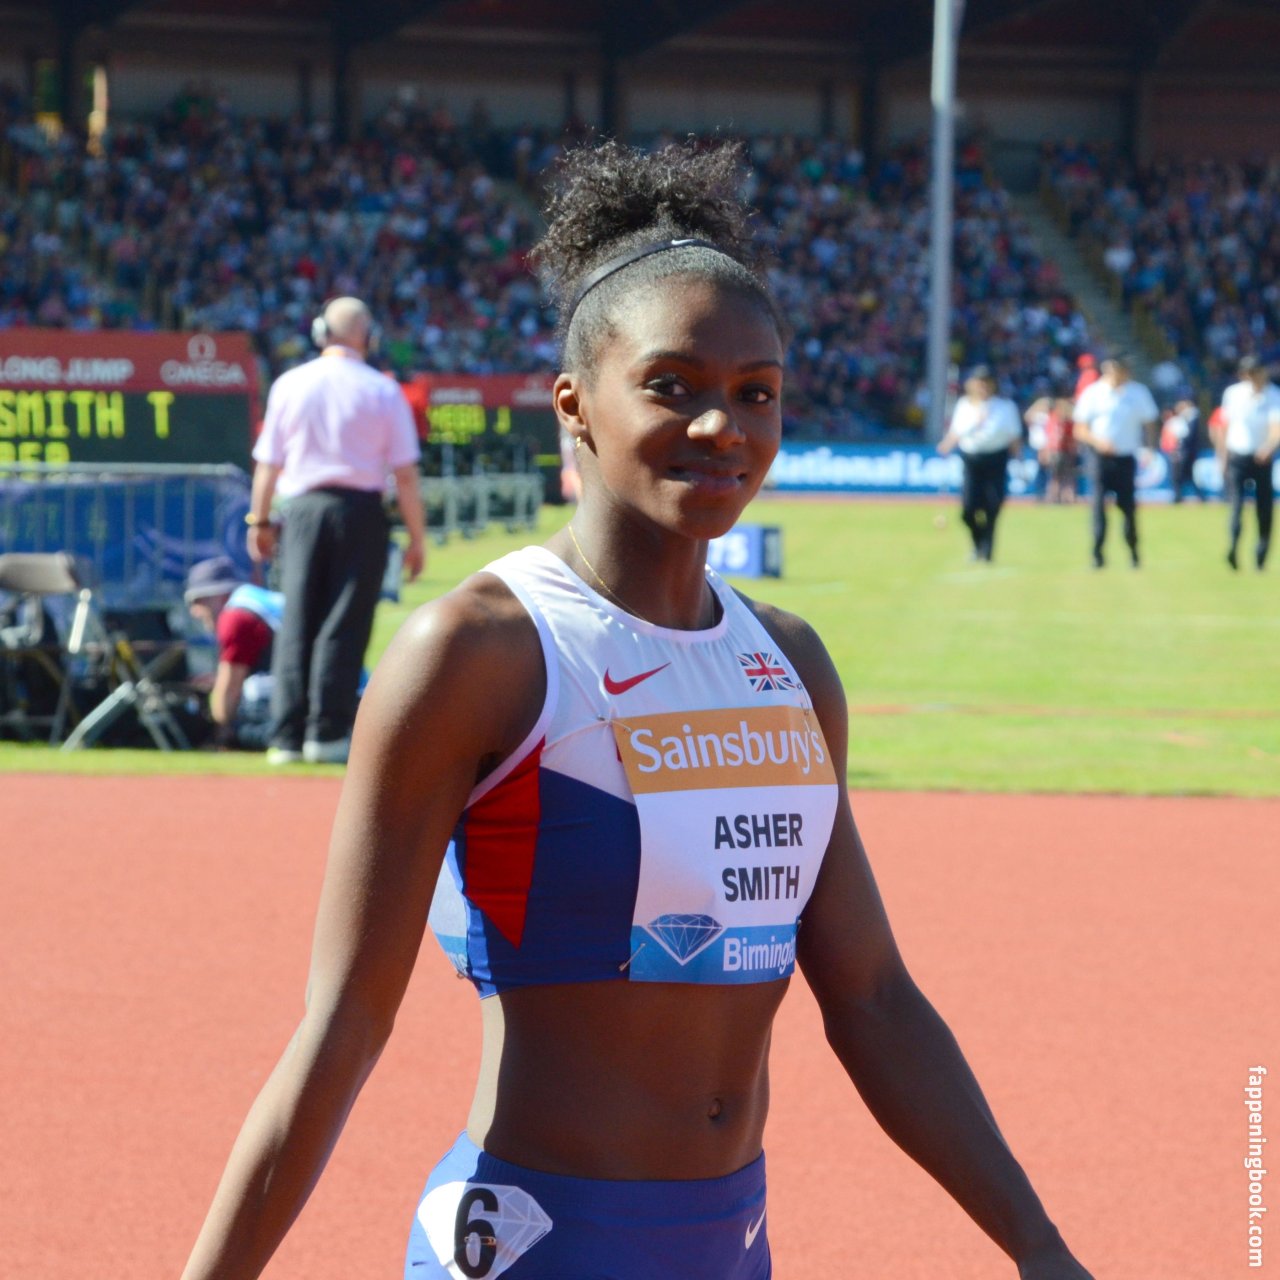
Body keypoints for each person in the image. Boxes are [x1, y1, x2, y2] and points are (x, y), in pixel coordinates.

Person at [182, 141, 1094, 1280]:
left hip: (731, 1243)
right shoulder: (479, 653)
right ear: (574, 403)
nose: (723, 426)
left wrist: (1040, 1247)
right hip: (536, 1241)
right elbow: (342, 1026)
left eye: (755, 392)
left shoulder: (789, 663)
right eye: (672, 385)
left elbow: (870, 996)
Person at [246, 296, 427, 765]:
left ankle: (286, 737)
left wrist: (259, 520)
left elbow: (268, 464)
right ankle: (326, 733)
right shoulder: (383, 390)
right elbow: (405, 475)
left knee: (297, 618)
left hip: (301, 512)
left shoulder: (290, 383)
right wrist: (417, 538)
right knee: (345, 622)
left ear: (319, 332)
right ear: (370, 337)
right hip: (360, 513)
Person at [183, 556, 284, 749]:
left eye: (197, 600)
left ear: (221, 596)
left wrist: (218, 732)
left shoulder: (235, 618)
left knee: (242, 722)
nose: (194, 611)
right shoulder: (256, 601)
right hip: (327, 700)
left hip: (302, 714)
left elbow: (225, 704)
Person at [1072, 352, 1158, 569]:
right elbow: (1080, 428)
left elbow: (1149, 422)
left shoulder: (1138, 392)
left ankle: (1133, 551)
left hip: (1126, 457)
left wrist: (1149, 448)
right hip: (1099, 458)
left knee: (1128, 508)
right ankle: (1097, 554)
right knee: (1098, 506)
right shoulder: (1093, 393)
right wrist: (1098, 442)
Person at [937, 365, 1022, 562]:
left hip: (996, 458)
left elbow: (1014, 436)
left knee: (993, 504)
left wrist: (1019, 460)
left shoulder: (1005, 407)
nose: (982, 386)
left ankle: (988, 551)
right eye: (979, 382)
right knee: (968, 508)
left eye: (986, 382)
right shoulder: (964, 405)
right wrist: (947, 444)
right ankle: (978, 543)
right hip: (972, 459)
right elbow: (957, 431)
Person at [1215, 355, 1280, 571]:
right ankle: (1233, 547)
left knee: (1264, 508)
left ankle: (1261, 554)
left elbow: (1276, 428)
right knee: (1236, 506)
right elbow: (1223, 426)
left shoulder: (1273, 395)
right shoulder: (1233, 394)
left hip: (1262, 458)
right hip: (1237, 456)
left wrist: (1268, 447)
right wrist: (1222, 456)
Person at [1161, 398, 1205, 504]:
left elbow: (1183, 437)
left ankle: (1179, 497)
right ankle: (1182, 496)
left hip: (1182, 453)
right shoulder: (1181, 420)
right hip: (1181, 452)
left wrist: (1177, 449)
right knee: (1185, 476)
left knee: (1178, 476)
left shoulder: (1182, 420)